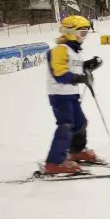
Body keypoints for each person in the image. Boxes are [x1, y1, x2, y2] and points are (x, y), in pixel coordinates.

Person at [44, 15, 103, 174]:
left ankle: (77, 151)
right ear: (70, 32)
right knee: (66, 125)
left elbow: (75, 67)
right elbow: (59, 73)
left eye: (85, 33)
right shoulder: (59, 50)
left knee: (80, 123)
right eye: (82, 33)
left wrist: (88, 65)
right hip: (59, 95)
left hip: (71, 94)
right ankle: (54, 162)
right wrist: (78, 78)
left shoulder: (73, 51)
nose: (84, 37)